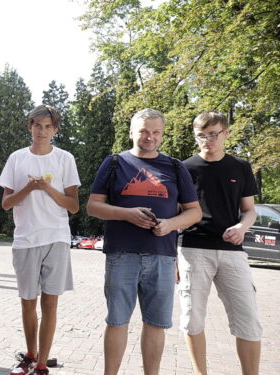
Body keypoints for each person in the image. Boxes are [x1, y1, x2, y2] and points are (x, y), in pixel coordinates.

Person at [87, 108, 201, 375]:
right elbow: (93, 206)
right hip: (121, 254)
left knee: (156, 324)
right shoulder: (115, 162)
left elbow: (194, 211)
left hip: (162, 255)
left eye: (155, 132)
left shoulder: (175, 166)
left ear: (161, 134)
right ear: (131, 133)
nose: (149, 137)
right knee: (117, 321)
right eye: (143, 131)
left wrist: (170, 224)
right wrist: (127, 215)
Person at [0, 105, 80, 375]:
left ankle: (42, 362)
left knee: (50, 302)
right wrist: (29, 188)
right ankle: (30, 355)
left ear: (55, 130)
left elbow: (73, 206)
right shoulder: (17, 158)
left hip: (56, 237)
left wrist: (47, 188)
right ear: (30, 126)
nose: (42, 131)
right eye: (37, 125)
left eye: (48, 126)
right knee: (27, 301)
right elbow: (6, 203)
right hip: (25, 239)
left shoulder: (65, 159)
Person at [178, 111, 262, 375]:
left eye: (213, 134)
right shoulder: (184, 168)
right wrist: (172, 258)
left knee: (248, 320)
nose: (207, 140)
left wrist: (242, 226)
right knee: (192, 319)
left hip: (232, 252)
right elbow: (175, 213)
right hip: (192, 248)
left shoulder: (241, 166)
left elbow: (249, 209)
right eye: (201, 135)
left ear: (225, 133)